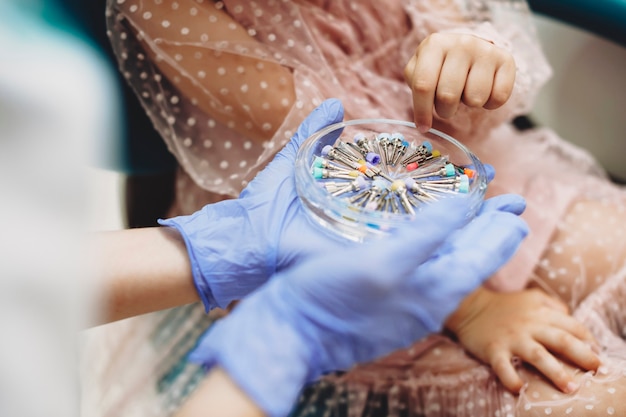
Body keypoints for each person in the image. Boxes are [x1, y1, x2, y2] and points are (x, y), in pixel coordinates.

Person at [87, 0, 626, 416]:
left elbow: (472, 82)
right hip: (330, 236)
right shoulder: (172, 11)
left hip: (480, 174)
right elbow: (341, 165)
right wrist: (476, 308)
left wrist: (473, 66)